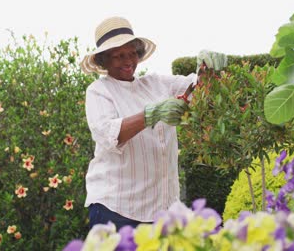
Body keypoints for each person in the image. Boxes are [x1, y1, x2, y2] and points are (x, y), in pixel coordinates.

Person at [80, 16, 203, 230]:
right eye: (118, 56)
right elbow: (110, 135)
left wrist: (206, 68)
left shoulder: (156, 84)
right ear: (103, 61)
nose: (127, 61)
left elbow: (196, 88)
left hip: (161, 210)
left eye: (131, 53)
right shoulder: (99, 91)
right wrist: (150, 114)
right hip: (116, 210)